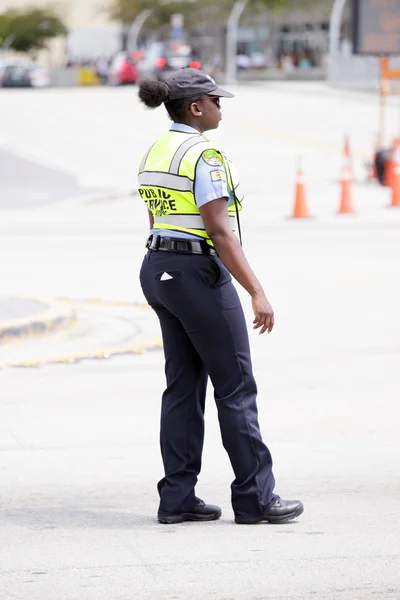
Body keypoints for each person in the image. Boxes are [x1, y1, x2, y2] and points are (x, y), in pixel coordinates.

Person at [137, 68, 304, 525]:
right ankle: (255, 499)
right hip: (197, 273)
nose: (220, 107)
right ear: (195, 107)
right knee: (235, 388)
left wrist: (169, 267)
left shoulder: (157, 149)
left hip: (158, 268)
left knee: (182, 388)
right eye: (215, 100)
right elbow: (219, 231)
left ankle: (176, 498)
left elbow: (155, 216)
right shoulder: (203, 154)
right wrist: (257, 291)